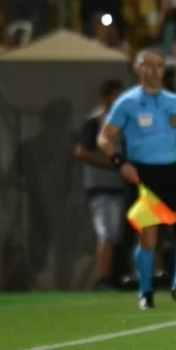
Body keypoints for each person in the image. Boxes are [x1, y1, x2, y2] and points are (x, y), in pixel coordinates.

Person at [97, 48, 176, 310]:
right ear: (138, 68)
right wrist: (121, 163)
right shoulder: (128, 102)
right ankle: (145, 291)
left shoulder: (172, 100)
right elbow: (104, 138)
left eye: (159, 65)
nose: (155, 71)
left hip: (174, 169)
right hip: (144, 174)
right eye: (149, 65)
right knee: (148, 238)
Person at [74, 79, 126, 290]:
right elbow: (81, 151)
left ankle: (113, 276)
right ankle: (102, 278)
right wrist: (111, 163)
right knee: (106, 232)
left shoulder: (120, 121)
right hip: (101, 186)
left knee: (116, 234)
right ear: (106, 97)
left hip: (119, 184)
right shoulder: (95, 120)